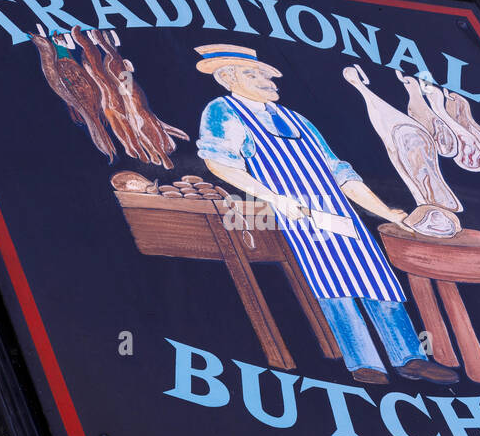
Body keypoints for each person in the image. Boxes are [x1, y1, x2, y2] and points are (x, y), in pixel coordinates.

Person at [194, 44, 458, 386]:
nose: (266, 80)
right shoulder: (223, 111)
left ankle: (409, 358)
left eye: (266, 74)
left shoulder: (295, 118)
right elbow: (219, 162)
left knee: (375, 278)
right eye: (253, 74)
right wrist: (275, 198)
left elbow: (340, 172)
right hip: (296, 215)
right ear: (227, 77)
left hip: (339, 212)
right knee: (330, 281)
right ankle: (364, 363)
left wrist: (387, 213)